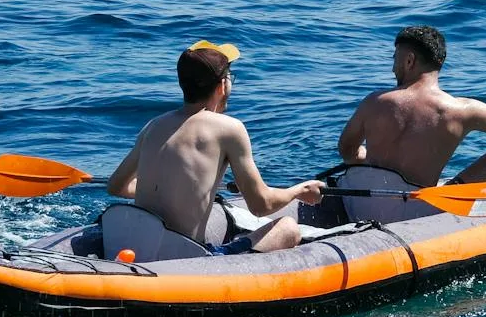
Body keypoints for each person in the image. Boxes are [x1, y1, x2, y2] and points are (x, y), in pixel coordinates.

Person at [106, 41, 324, 254]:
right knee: (288, 227)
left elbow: (116, 186)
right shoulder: (229, 128)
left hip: (136, 245)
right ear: (222, 86)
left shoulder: (153, 126)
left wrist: (172, 192)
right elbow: (260, 205)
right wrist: (300, 191)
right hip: (184, 259)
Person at [334, 26, 486, 222]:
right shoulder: (459, 110)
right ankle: (458, 204)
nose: (393, 68)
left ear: (409, 60)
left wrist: (369, 158)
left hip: (357, 203)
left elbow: (347, 151)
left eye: (395, 59)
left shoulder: (374, 101)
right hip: (409, 215)